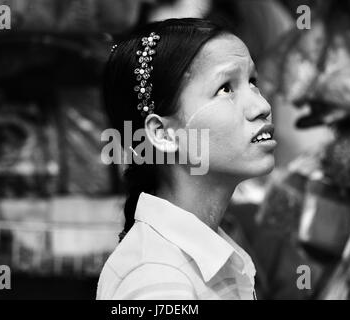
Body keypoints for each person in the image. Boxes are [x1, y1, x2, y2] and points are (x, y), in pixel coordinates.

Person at [96, 18, 276, 300]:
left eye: (252, 82)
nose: (262, 106)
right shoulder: (157, 278)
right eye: (226, 88)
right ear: (163, 134)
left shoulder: (202, 257)